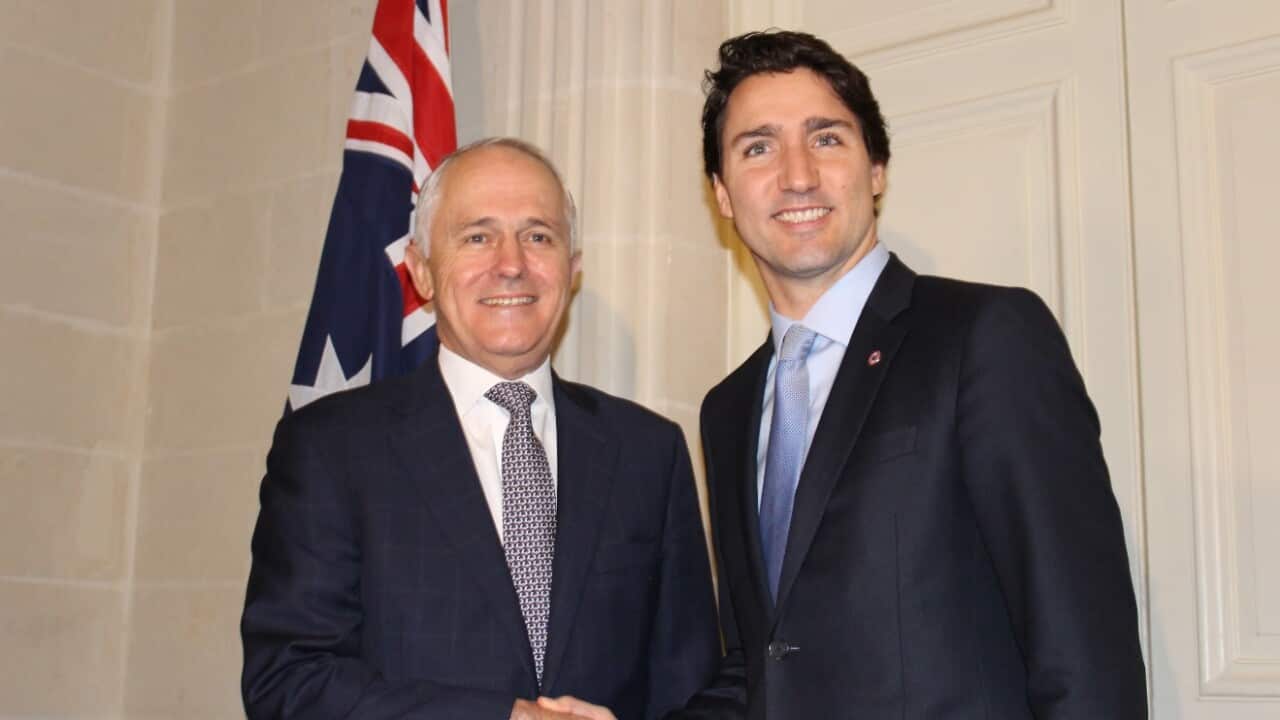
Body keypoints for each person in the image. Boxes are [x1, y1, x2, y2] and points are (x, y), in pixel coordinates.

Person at [545, 30, 1148, 720]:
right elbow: (760, 669)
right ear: (721, 194)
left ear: (877, 167)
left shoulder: (985, 336)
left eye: (826, 138)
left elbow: (1083, 644)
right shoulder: (729, 409)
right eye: (758, 148)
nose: (797, 175)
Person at [241, 137, 719, 720]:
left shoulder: (649, 452)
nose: (511, 263)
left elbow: (690, 687)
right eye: (477, 237)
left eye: (538, 236)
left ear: (572, 269)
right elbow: (289, 682)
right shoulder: (331, 448)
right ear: (422, 270)